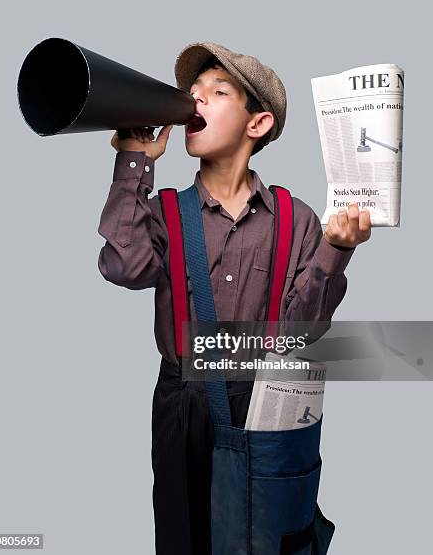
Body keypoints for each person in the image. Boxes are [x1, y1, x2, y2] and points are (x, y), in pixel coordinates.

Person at [97, 42, 372, 555]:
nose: (195, 101)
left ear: (258, 123)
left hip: (264, 396)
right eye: (191, 93)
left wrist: (336, 251)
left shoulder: (299, 220)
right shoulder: (165, 213)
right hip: (183, 401)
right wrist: (134, 161)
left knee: (267, 537)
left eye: (217, 92)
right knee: (186, 539)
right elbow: (124, 266)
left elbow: (298, 333)